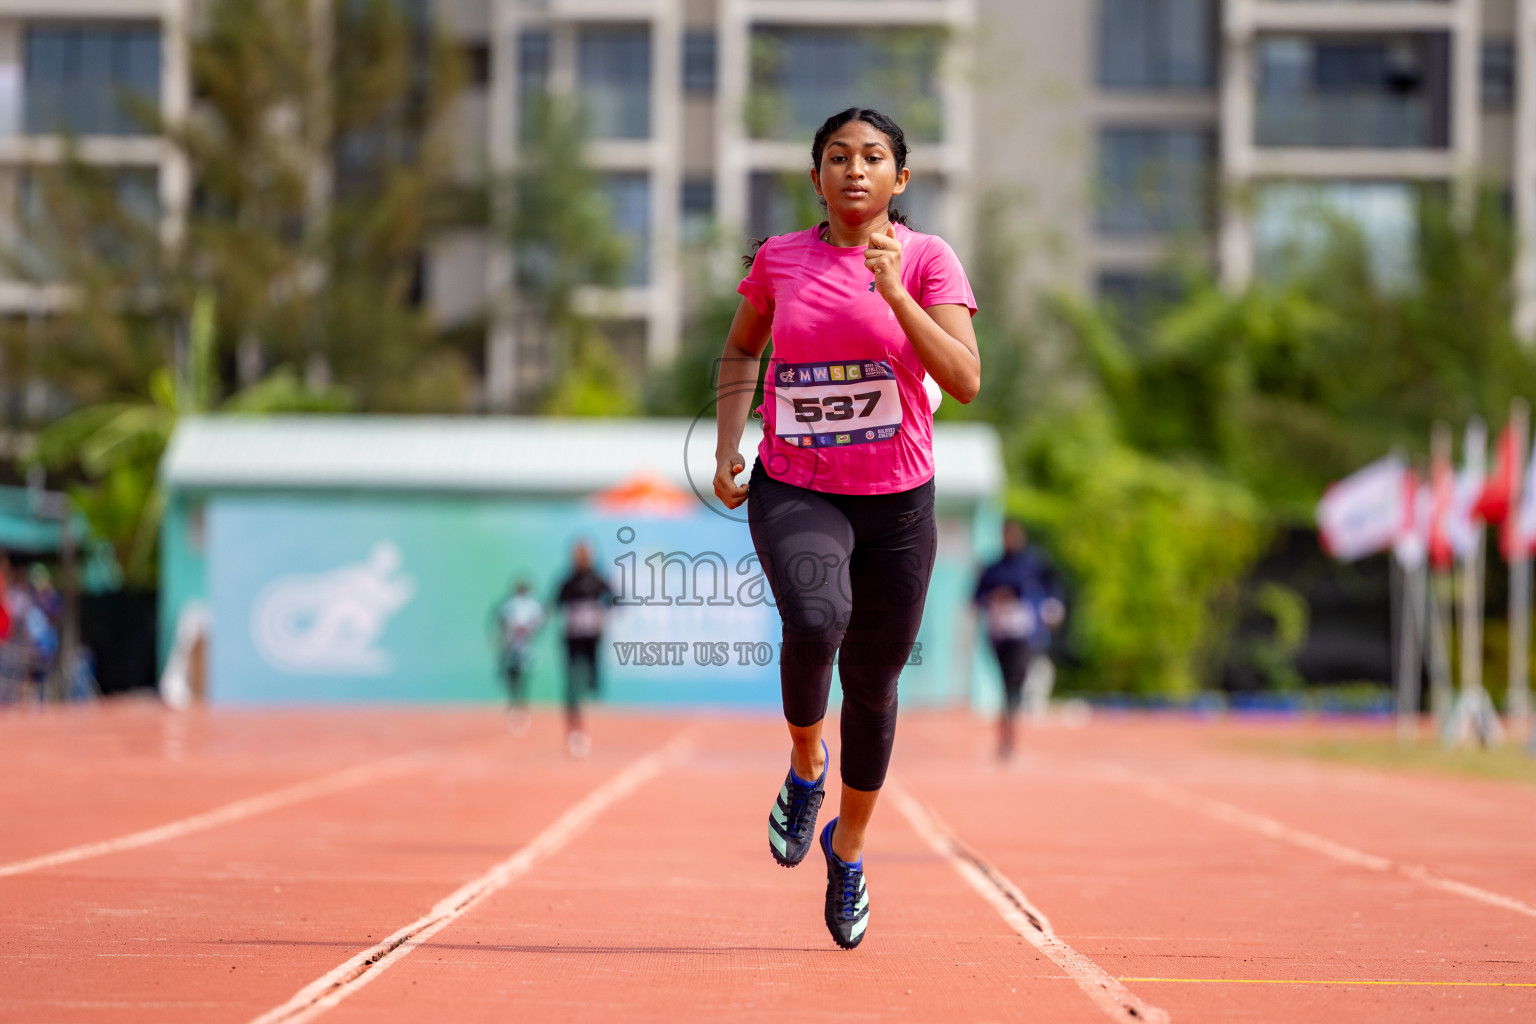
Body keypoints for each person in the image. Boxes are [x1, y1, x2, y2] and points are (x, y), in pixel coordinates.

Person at [714, 107, 979, 949]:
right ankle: (803, 768)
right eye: (837, 157)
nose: (853, 170)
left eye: (872, 158)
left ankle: (851, 847)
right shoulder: (780, 259)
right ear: (816, 175)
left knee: (873, 686)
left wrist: (895, 289)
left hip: (899, 501)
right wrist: (729, 446)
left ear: (900, 179)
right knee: (817, 617)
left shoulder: (930, 259)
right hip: (798, 484)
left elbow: (966, 380)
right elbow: (739, 350)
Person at [974, 520, 1065, 759]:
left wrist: (1053, 607)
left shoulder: (1032, 563)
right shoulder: (993, 568)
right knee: (1006, 683)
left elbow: (1053, 584)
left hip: (1024, 632)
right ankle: (1008, 726)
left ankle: (1009, 728)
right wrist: (994, 597)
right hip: (999, 634)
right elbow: (976, 597)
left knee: (1016, 679)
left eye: (1012, 535)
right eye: (1005, 536)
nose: (1009, 540)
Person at [554, 541, 613, 758]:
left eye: (584, 554)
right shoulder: (567, 581)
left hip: (592, 639)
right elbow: (556, 602)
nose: (580, 558)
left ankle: (593, 686)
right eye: (577, 555)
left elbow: (615, 598)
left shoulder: (597, 579)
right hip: (572, 639)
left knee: (591, 678)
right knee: (571, 684)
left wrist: (601, 610)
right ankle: (574, 728)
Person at [493, 579, 545, 736]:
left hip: (525, 646)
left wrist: (530, 631)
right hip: (511, 646)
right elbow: (502, 621)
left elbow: (539, 621)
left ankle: (521, 705)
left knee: (522, 676)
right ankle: (514, 704)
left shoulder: (532, 605)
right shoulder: (510, 605)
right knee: (512, 676)